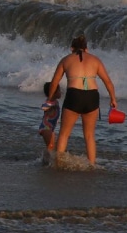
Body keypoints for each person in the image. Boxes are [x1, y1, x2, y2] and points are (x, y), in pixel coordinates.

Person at [48, 34, 117, 167]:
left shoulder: (66, 60)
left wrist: (50, 99)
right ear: (87, 49)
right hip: (92, 96)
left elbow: (54, 83)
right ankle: (92, 165)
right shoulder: (96, 60)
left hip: (74, 96)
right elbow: (108, 82)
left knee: (64, 134)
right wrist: (113, 99)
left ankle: (58, 163)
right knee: (89, 135)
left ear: (71, 48)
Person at [39, 80, 61, 150]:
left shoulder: (55, 101)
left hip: (51, 128)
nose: (61, 92)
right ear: (53, 92)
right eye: (59, 90)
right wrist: (51, 106)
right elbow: (43, 107)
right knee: (50, 146)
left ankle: (46, 159)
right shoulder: (50, 101)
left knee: (52, 146)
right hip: (46, 127)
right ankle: (47, 159)